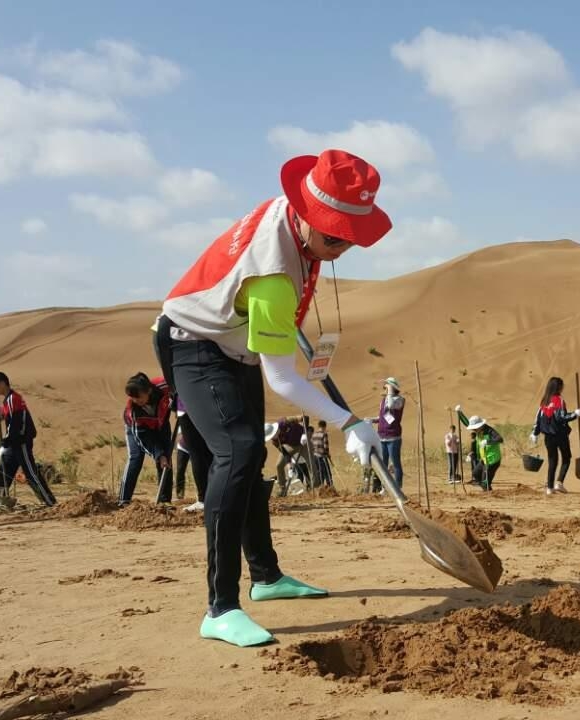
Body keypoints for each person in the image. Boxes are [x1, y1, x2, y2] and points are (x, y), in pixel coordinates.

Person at [154, 148, 389, 647]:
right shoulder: (275, 278)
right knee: (236, 451)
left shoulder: (292, 218)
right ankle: (219, 608)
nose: (340, 249)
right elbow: (282, 379)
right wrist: (349, 422)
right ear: (305, 214)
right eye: (333, 237)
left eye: (351, 240)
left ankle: (266, 577)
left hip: (232, 342)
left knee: (247, 455)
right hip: (194, 342)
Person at [0, 372, 55, 507]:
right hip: (13, 443)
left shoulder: (13, 398)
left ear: (2, 384)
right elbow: (9, 419)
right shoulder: (8, 400)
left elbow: (15, 422)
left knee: (30, 473)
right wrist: (0, 413)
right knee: (4, 471)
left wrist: (5, 441)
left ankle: (50, 503)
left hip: (20, 442)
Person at [119, 372, 173, 506]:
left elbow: (182, 391)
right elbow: (143, 438)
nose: (136, 401)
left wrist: (181, 411)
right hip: (138, 429)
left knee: (167, 458)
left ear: (148, 390)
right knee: (136, 457)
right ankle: (124, 500)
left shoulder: (164, 385)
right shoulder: (133, 409)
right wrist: (158, 455)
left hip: (161, 424)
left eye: (139, 397)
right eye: (133, 398)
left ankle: (164, 501)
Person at [531, 377, 580, 496]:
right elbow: (561, 417)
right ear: (558, 387)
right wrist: (575, 414)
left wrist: (535, 433)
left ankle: (549, 488)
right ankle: (559, 482)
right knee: (566, 458)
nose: (563, 388)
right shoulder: (559, 400)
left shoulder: (544, 401)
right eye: (562, 385)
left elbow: (538, 417)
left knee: (552, 461)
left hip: (548, 437)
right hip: (560, 434)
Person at [174, 396, 211, 512]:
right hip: (211, 403)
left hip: (188, 403)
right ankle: (212, 497)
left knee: (198, 454)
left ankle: (204, 500)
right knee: (211, 452)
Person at [375, 377, 405, 490]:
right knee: (384, 464)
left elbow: (392, 405)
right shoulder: (383, 400)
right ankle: (384, 487)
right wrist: (372, 419)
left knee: (395, 463)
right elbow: (384, 417)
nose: (385, 389)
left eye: (386, 386)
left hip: (393, 437)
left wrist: (390, 391)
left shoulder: (400, 400)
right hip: (382, 436)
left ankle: (398, 487)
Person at [271, 416, 308, 495]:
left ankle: (315, 487)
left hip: (304, 442)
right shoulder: (274, 441)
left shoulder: (284, 422)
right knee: (279, 465)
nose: (274, 437)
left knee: (310, 463)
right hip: (291, 446)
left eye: (273, 434)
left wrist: (305, 434)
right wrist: (289, 467)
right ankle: (283, 489)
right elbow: (285, 453)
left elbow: (305, 417)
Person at [466, 415, 503, 491]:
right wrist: (471, 454)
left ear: (480, 426)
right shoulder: (478, 432)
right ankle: (486, 488)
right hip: (484, 459)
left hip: (492, 460)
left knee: (485, 483)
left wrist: (488, 442)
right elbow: (476, 445)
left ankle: (488, 494)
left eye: (475, 428)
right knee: (476, 474)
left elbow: (500, 439)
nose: (474, 430)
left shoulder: (489, 431)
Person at [310, 420, 332, 487]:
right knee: (328, 473)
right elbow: (326, 446)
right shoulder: (324, 434)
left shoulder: (313, 434)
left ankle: (320, 488)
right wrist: (328, 455)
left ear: (318, 426)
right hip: (322, 457)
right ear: (325, 426)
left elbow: (311, 445)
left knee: (320, 473)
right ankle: (330, 488)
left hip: (315, 457)